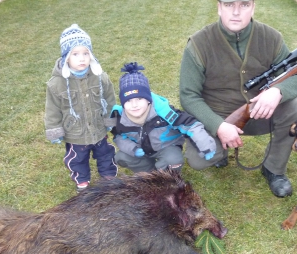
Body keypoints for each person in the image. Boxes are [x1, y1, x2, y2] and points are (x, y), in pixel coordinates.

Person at [179, 0, 297, 197]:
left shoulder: (271, 37)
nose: (236, 11)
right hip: (218, 113)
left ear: (253, 7)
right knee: (198, 159)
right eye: (229, 4)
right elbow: (188, 95)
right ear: (219, 7)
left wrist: (277, 91)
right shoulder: (198, 44)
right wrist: (219, 126)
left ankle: (273, 169)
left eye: (244, 4)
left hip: (261, 111)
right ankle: (220, 152)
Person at [45, 24, 117, 191]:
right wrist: (54, 130)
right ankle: (82, 181)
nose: (82, 58)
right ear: (66, 57)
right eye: (75, 54)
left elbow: (109, 98)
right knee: (77, 159)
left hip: (98, 129)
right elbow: (52, 110)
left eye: (86, 53)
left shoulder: (100, 77)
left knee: (106, 154)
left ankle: (108, 177)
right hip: (75, 133)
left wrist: (110, 120)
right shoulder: (56, 84)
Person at [111, 62, 216, 173]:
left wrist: (205, 144)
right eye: (128, 101)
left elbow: (190, 125)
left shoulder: (165, 112)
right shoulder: (119, 119)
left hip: (166, 148)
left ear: (148, 99)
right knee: (121, 157)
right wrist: (133, 148)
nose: (134, 105)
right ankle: (149, 174)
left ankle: (167, 177)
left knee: (173, 160)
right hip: (141, 150)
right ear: (122, 103)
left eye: (139, 99)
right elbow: (118, 137)